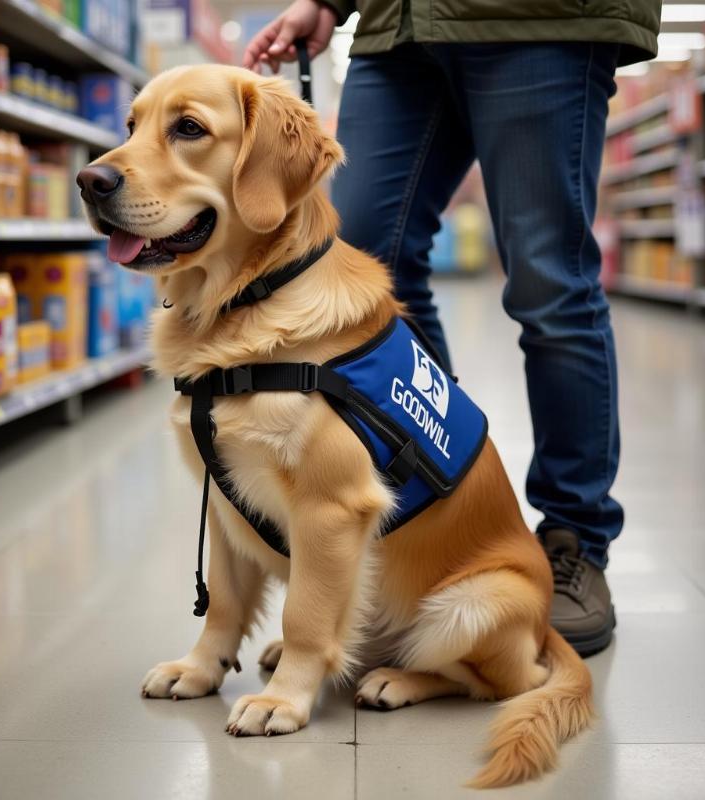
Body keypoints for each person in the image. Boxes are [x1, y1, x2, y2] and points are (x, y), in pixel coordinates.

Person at [244, 0, 660, 656]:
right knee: (365, 267)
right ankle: (431, 518)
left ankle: (574, 538)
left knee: (549, 286)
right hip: (398, 24)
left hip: (540, 19)